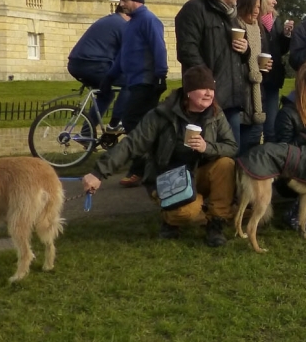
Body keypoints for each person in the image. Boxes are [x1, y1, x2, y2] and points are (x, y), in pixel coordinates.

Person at [82, 65, 237, 247]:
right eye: (202, 88)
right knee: (187, 213)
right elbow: (131, 144)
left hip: (198, 174)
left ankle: (216, 223)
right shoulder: (161, 115)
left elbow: (231, 147)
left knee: (225, 164)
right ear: (188, 91)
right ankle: (172, 218)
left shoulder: (216, 115)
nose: (209, 93)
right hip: (167, 177)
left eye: (211, 89)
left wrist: (207, 147)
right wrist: (98, 173)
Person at [101, 0, 168, 187]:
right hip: (134, 82)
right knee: (139, 125)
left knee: (133, 123)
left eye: (124, 0)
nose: (121, 4)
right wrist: (110, 76)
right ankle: (152, 165)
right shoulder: (130, 24)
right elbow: (124, 55)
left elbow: (159, 48)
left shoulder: (149, 20)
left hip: (146, 82)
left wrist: (160, 75)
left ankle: (140, 169)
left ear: (136, 0)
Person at [174, 0, 250, 142]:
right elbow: (187, 51)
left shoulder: (231, 16)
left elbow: (241, 56)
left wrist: (245, 49)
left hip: (231, 100)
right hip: (204, 102)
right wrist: (207, 84)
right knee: (202, 153)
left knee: (230, 152)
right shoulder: (194, 9)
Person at [265, 61, 306, 231]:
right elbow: (284, 151)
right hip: (291, 172)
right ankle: (295, 214)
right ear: (304, 86)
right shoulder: (287, 113)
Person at [67, 5, 129, 133]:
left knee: (106, 95)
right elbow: (128, 54)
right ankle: (115, 124)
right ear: (127, 13)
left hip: (76, 64)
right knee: (130, 82)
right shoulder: (122, 25)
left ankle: (86, 132)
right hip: (93, 65)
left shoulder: (108, 20)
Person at [253, 0, 292, 144]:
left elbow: (280, 50)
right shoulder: (251, 20)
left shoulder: (274, 21)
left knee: (271, 127)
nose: (275, 2)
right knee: (254, 128)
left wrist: (286, 35)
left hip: (273, 80)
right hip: (256, 80)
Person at [235, 0, 271, 156]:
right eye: (254, 6)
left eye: (259, 6)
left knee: (253, 150)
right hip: (240, 97)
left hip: (257, 98)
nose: (257, 10)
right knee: (237, 150)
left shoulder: (259, 30)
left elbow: (260, 62)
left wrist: (265, 68)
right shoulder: (235, 27)